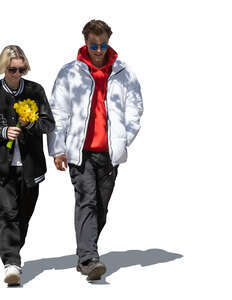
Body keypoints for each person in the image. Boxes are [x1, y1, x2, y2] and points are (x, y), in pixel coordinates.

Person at [47, 20, 143, 281]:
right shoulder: (70, 73)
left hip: (110, 154)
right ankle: (89, 258)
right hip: (81, 151)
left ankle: (85, 253)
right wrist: (58, 149)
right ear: (85, 42)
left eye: (102, 45)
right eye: (93, 45)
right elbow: (58, 112)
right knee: (86, 200)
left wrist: (123, 140)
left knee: (101, 207)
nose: (98, 50)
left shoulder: (124, 73)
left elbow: (135, 109)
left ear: (108, 41)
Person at [0, 45, 55, 285]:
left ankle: (13, 253)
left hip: (31, 166)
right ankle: (11, 263)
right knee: (7, 213)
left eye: (22, 69)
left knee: (23, 215)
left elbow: (48, 122)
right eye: (12, 69)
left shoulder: (35, 90)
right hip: (1, 167)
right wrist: (1, 131)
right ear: (3, 68)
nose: (17, 74)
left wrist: (30, 124)